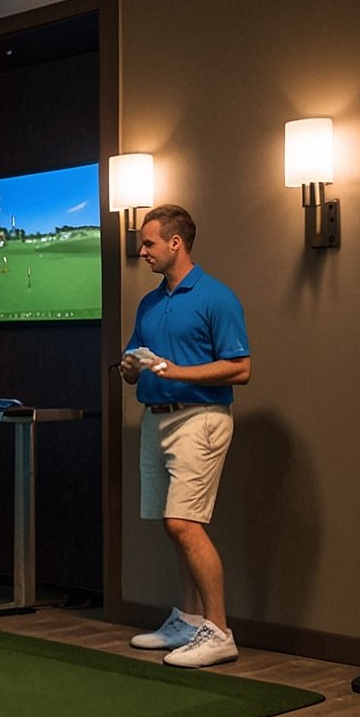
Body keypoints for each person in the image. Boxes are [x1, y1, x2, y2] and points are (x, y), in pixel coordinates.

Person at [119, 205, 250, 668]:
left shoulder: (217, 297)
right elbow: (131, 371)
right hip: (156, 418)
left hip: (201, 419)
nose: (142, 250)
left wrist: (178, 372)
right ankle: (191, 621)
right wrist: (131, 367)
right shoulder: (150, 303)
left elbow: (241, 367)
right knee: (172, 524)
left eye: (149, 242)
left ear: (176, 243)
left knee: (184, 523)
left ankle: (219, 632)